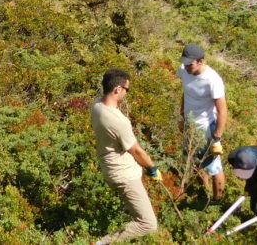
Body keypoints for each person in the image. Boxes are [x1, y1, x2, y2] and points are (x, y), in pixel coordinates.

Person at [91, 68, 161, 243]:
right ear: (117, 90)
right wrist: (152, 168)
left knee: (137, 210)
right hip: (124, 176)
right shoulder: (119, 121)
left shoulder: (96, 106)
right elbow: (136, 150)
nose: (126, 94)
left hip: (110, 169)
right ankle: (104, 242)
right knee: (148, 223)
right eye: (127, 90)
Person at [177, 43, 227, 200]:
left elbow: (222, 110)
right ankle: (203, 190)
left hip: (206, 127)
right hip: (189, 125)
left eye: (189, 64)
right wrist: (182, 115)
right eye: (184, 63)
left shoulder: (212, 80)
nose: (186, 67)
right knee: (193, 160)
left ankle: (216, 201)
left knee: (213, 166)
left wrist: (217, 138)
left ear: (201, 61)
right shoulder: (183, 70)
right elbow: (186, 91)